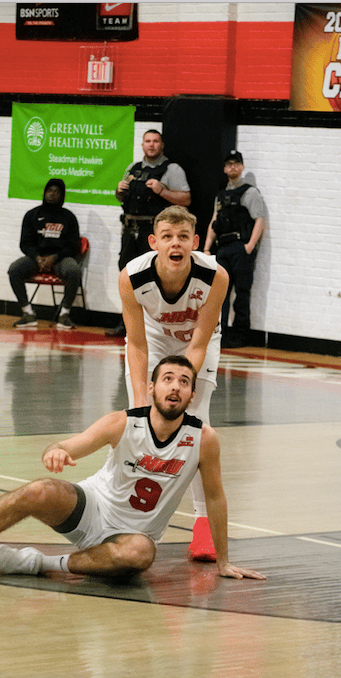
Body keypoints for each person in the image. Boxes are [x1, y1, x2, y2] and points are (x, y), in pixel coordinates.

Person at [0, 355, 266, 583]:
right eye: (167, 379)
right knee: (40, 489)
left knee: (141, 555)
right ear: (152, 387)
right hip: (92, 510)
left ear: (192, 395)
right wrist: (56, 452)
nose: (175, 387)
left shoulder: (204, 439)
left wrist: (224, 561)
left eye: (184, 382)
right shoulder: (122, 422)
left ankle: (38, 563)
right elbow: (66, 445)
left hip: (132, 538)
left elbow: (215, 498)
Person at [119, 205, 229, 563]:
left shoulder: (216, 276)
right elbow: (136, 343)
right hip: (152, 340)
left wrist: (183, 382)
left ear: (195, 242)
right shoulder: (132, 277)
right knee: (137, 424)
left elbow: (198, 343)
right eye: (167, 237)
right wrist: (140, 401)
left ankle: (203, 525)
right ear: (154, 242)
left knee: (194, 423)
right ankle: (121, 514)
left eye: (183, 237)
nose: (175, 243)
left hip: (198, 342)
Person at [106, 129, 191, 337]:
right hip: (130, 230)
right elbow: (121, 197)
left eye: (155, 141)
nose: (151, 145)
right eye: (147, 141)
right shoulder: (133, 168)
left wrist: (162, 190)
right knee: (127, 277)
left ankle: (155, 325)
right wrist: (119, 191)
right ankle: (126, 323)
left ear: (161, 145)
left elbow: (186, 199)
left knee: (153, 278)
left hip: (153, 232)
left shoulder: (172, 169)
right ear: (142, 145)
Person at [204, 150, 265, 348]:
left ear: (242, 167)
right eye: (229, 164)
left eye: (236, 164)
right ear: (224, 168)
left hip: (240, 247)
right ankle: (220, 334)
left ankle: (240, 335)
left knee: (242, 292)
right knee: (219, 293)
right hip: (223, 248)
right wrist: (206, 248)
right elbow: (214, 221)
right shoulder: (221, 195)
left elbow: (259, 219)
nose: (233, 167)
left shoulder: (250, 192)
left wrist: (249, 246)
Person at [8, 178, 81, 330]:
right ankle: (27, 313)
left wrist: (55, 257)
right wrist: (37, 257)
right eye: (50, 191)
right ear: (44, 193)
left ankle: (64, 315)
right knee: (14, 269)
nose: (52, 194)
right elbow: (25, 243)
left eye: (57, 192)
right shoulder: (32, 215)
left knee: (74, 270)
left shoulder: (69, 217)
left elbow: (72, 246)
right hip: (37, 258)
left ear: (62, 196)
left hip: (60, 258)